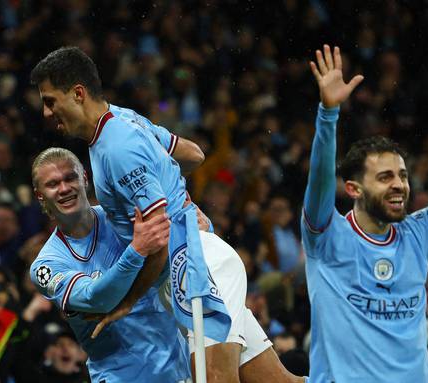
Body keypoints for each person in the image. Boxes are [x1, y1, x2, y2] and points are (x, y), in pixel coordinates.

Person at [30, 46, 301, 383]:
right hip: (189, 265)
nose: (46, 112)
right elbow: (193, 154)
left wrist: (129, 299)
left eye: (50, 100)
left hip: (196, 266)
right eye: (53, 184)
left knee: (216, 380)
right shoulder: (126, 120)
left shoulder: (117, 148)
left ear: (78, 93)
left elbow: (157, 239)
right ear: (40, 196)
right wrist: (177, 201)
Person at [302, 44, 428, 382]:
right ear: (353, 188)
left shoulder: (418, 232)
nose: (399, 185)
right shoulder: (326, 236)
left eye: (402, 176)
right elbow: (319, 179)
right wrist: (328, 114)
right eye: (385, 177)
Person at [29, 147, 190, 382]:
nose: (64, 188)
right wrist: (137, 251)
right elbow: (96, 299)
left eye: (70, 178)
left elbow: (170, 260)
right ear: (40, 195)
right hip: (120, 376)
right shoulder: (46, 266)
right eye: (53, 184)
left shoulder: (123, 217)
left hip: (179, 366)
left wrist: (193, 225)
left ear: (84, 177)